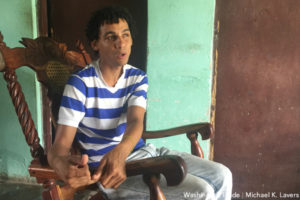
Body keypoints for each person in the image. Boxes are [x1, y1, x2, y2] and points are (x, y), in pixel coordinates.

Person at [47, 5, 232, 200]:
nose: (121, 43)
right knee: (202, 191)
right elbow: (60, 145)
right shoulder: (80, 83)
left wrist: (120, 152)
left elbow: (136, 121)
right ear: (95, 44)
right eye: (111, 37)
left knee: (222, 175)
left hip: (143, 154)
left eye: (125, 35)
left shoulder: (137, 77)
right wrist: (62, 165)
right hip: (110, 172)